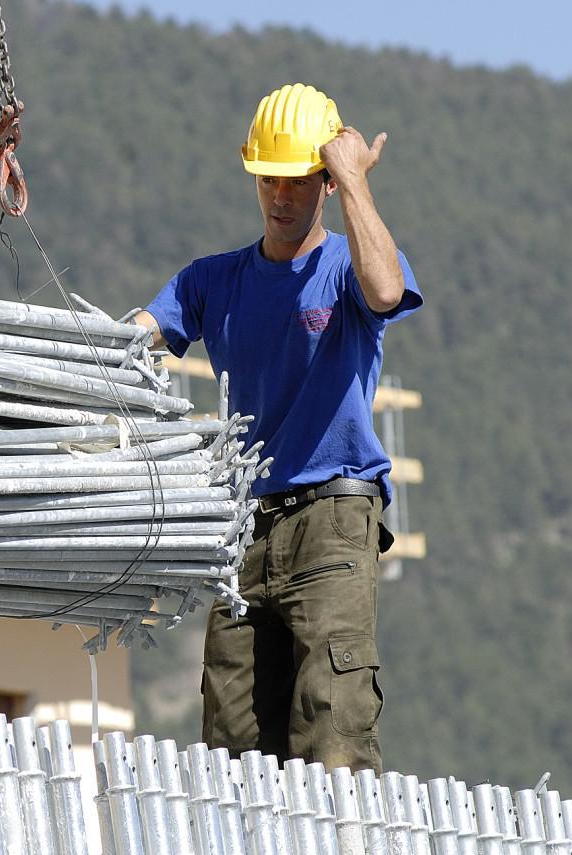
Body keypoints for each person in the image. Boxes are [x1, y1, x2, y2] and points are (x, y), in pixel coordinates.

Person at [133, 83, 423, 772]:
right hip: (244, 527)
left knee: (333, 729)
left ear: (322, 181)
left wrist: (353, 179)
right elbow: (131, 338)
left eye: (296, 180)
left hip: (331, 518)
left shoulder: (345, 269)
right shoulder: (212, 282)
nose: (280, 196)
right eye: (268, 179)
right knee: (231, 740)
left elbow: (385, 291)